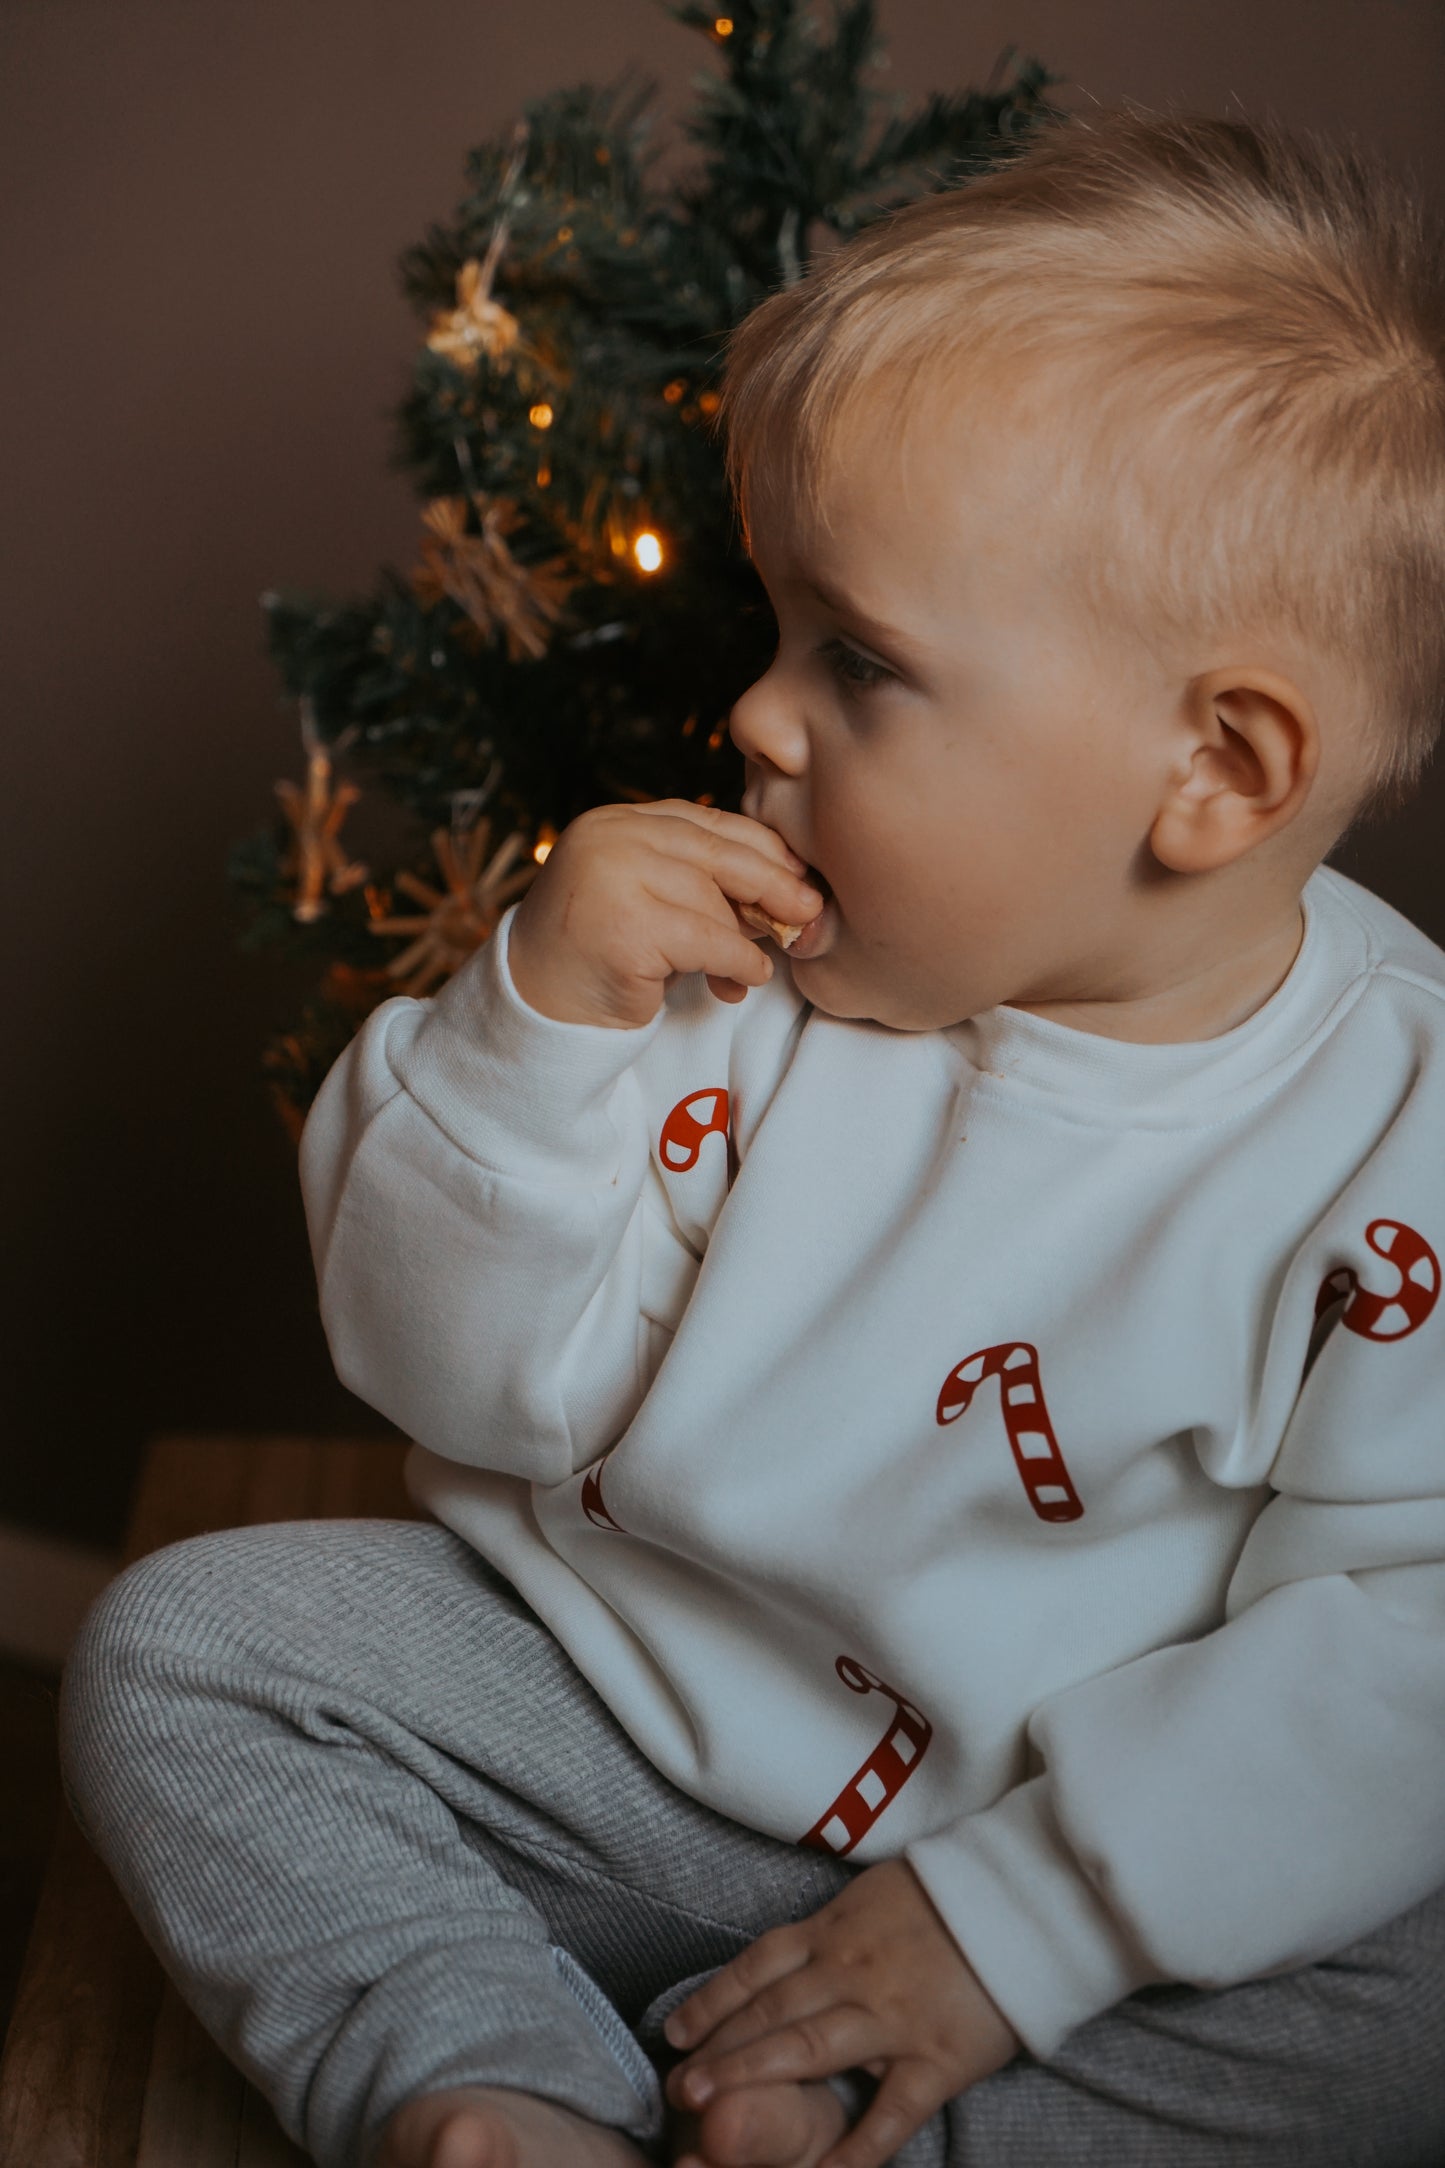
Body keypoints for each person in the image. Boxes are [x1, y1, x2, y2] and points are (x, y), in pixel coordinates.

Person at [61, 107, 1445, 2168]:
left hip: (1063, 1863)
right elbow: (454, 1378)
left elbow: (1399, 1641)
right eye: (781, 630)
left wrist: (1017, 1928)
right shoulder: (724, 973)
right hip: (616, 1739)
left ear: (1218, 767)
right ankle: (495, 2080)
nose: (760, 719)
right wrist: (532, 1024)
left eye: (861, 659)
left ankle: (875, 2119)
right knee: (190, 1654)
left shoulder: (1398, 1132)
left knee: (1408, 1994)